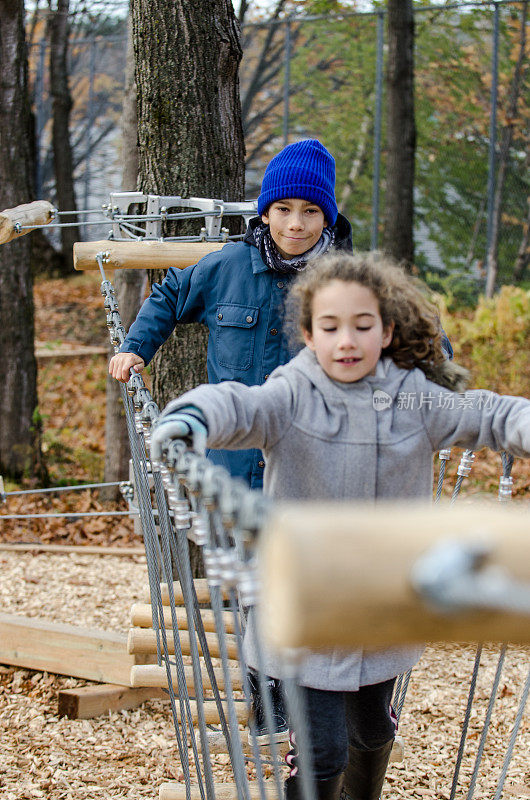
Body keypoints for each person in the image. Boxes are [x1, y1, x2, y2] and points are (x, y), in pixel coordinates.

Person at [150, 251, 530, 800]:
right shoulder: (291, 395)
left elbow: (487, 414)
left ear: (386, 331)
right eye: (330, 327)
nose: (346, 341)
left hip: (382, 604)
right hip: (308, 600)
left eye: (362, 326)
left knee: (372, 730)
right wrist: (194, 415)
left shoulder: (415, 401)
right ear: (308, 333)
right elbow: (240, 405)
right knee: (323, 749)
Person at [109, 139, 354, 745]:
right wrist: (135, 346)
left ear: (328, 218)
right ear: (265, 212)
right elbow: (168, 295)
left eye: (310, 212)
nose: (296, 224)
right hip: (238, 464)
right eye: (284, 209)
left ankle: (315, 704)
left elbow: (410, 330)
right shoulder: (226, 268)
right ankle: (269, 703)